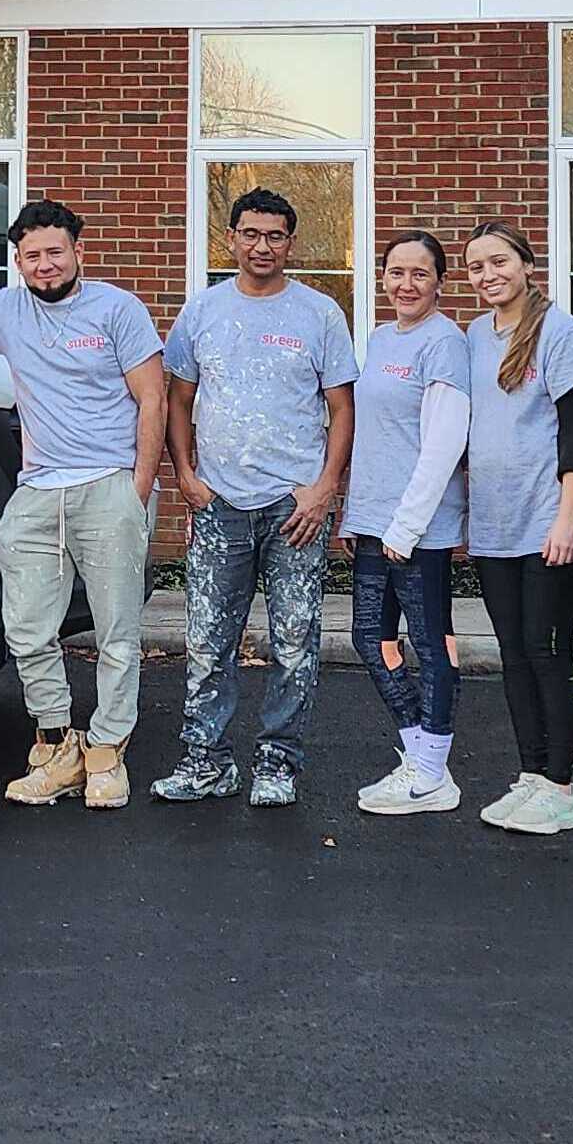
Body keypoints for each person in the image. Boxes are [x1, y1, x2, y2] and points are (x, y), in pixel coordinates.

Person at [0, 200, 166, 811]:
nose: (44, 265)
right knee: (26, 629)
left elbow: (152, 400)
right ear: (16, 261)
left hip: (110, 485)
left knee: (117, 632)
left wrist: (139, 487)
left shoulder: (118, 310)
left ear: (79, 251)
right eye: (30, 256)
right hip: (37, 490)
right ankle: (55, 743)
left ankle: (107, 754)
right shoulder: (1, 311)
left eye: (54, 252)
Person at [152, 185, 357, 809]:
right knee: (209, 641)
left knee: (294, 642)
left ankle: (278, 761)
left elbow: (342, 406)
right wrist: (185, 473)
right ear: (232, 239)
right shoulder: (202, 312)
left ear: (290, 243)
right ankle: (207, 761)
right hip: (219, 505)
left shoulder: (320, 314)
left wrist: (324, 489)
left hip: (294, 508)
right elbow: (178, 400)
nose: (262, 245)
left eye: (275, 235)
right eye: (251, 233)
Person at [460, 224, 573, 837]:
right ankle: (532, 776)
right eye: (475, 266)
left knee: (546, 652)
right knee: (513, 655)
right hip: (494, 520)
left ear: (527, 264)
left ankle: (564, 787)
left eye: (499, 262)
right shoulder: (472, 337)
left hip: (547, 520)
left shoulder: (561, 333)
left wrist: (569, 515)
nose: (488, 275)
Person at [345, 231, 473, 815]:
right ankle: (423, 761)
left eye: (419, 274)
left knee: (427, 643)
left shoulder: (444, 342)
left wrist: (405, 527)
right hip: (375, 520)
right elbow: (377, 436)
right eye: (396, 272)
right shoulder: (379, 338)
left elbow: (443, 443)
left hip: (417, 530)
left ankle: (429, 773)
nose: (406, 284)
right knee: (370, 639)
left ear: (440, 283)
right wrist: (358, 516)